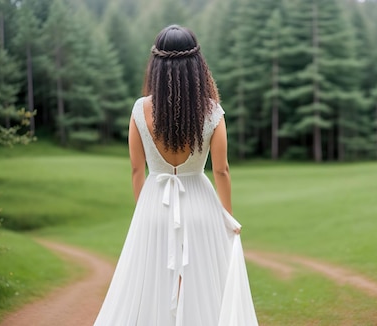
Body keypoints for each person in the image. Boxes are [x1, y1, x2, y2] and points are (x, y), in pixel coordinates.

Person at [94, 25, 258, 326]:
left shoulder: (139, 110)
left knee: (149, 287)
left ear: (156, 65)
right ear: (197, 64)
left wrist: (145, 208)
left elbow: (135, 168)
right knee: (205, 287)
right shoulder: (213, 112)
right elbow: (221, 169)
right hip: (201, 207)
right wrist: (228, 218)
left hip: (154, 205)